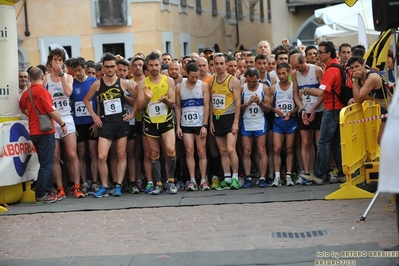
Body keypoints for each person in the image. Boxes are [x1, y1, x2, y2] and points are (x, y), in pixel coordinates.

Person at [84, 53, 136, 198]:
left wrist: (132, 114)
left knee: (121, 154)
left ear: (116, 67)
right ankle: (105, 185)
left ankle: (118, 185)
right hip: (106, 123)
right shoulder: (97, 84)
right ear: (103, 67)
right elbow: (86, 100)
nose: (110, 69)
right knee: (101, 156)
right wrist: (94, 116)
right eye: (107, 67)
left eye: (112, 66)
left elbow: (138, 98)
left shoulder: (124, 83)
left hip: (121, 122)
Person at [19, 67, 67, 203]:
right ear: (42, 76)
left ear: (30, 77)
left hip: (33, 131)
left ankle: (46, 189)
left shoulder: (26, 92)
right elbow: (51, 112)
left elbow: (22, 106)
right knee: (47, 164)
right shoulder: (42, 91)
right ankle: (41, 194)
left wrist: (31, 114)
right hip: (45, 131)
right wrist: (63, 124)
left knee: (43, 163)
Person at [301, 41, 345, 184]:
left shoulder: (332, 69)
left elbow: (321, 91)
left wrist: (306, 90)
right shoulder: (335, 66)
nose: (318, 54)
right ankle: (342, 173)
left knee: (323, 142)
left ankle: (319, 175)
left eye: (320, 52)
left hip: (331, 109)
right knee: (335, 143)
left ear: (329, 54)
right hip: (337, 109)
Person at [43, 48, 84, 199]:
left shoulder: (67, 77)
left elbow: (68, 93)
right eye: (55, 60)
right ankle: (60, 187)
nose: (58, 63)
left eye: (60, 60)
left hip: (67, 118)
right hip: (52, 119)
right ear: (50, 62)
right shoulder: (46, 79)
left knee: (72, 154)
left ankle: (77, 186)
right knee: (55, 156)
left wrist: (61, 75)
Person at [137, 52, 178, 195]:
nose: (154, 68)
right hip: (150, 122)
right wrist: (148, 99)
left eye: (156, 65)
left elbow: (173, 102)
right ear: (147, 67)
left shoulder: (168, 81)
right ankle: (158, 183)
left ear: (161, 65)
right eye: (151, 65)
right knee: (154, 153)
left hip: (166, 120)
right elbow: (140, 106)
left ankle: (171, 181)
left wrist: (165, 100)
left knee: (171, 150)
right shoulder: (142, 83)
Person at [175, 63, 210, 191]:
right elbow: (178, 107)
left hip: (200, 123)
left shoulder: (203, 86)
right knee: (189, 151)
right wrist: (177, 126)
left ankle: (203, 180)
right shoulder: (179, 87)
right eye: (192, 77)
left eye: (196, 77)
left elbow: (207, 106)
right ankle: (192, 180)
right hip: (186, 124)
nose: (195, 79)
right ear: (186, 74)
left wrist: (205, 125)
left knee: (201, 151)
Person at [209, 53, 241, 190]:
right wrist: (210, 122)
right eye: (217, 64)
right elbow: (211, 102)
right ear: (214, 65)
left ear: (226, 65)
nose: (219, 66)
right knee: (222, 151)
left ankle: (235, 177)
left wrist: (236, 122)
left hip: (229, 117)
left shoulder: (233, 81)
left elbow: (238, 102)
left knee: (230, 149)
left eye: (222, 63)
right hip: (217, 118)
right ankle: (227, 178)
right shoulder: (212, 80)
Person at [291, 53, 324, 184]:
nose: (296, 69)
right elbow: (295, 95)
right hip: (304, 110)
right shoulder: (294, 74)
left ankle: (318, 171)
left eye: (298, 66)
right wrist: (302, 109)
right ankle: (306, 171)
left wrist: (314, 107)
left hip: (318, 109)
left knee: (317, 142)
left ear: (304, 61)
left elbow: (324, 92)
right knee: (305, 142)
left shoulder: (316, 70)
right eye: (294, 67)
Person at [70, 57, 99, 195]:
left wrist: (96, 120)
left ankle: (95, 181)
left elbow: (98, 102)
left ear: (85, 69)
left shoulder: (93, 82)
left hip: (91, 122)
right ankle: (84, 182)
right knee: (81, 153)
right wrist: (72, 125)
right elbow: (69, 105)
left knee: (93, 152)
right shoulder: (72, 84)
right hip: (78, 123)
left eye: (80, 70)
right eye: (75, 71)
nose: (78, 73)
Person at [240, 67, 270, 188]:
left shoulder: (264, 88)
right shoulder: (242, 88)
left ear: (258, 79)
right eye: (249, 81)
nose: (252, 83)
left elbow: (268, 109)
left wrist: (259, 103)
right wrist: (247, 103)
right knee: (246, 151)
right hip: (247, 123)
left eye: (254, 81)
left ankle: (262, 177)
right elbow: (238, 107)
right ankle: (248, 177)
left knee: (261, 150)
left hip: (259, 122)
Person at [269, 62, 298, 187]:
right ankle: (277, 177)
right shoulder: (274, 88)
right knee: (276, 149)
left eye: (284, 73)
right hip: (278, 121)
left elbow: (299, 105)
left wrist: (291, 112)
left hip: (290, 120)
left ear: (289, 72)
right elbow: (269, 105)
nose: (281, 76)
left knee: (290, 149)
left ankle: (289, 176)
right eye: (279, 73)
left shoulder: (294, 87)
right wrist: (275, 110)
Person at [348, 55, 388, 144]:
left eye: (357, 66)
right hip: (388, 108)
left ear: (363, 65)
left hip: (394, 106)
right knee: (382, 141)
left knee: (383, 140)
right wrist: (353, 98)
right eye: (352, 68)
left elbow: (358, 98)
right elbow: (359, 97)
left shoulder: (372, 77)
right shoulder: (358, 77)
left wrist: (354, 80)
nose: (354, 70)